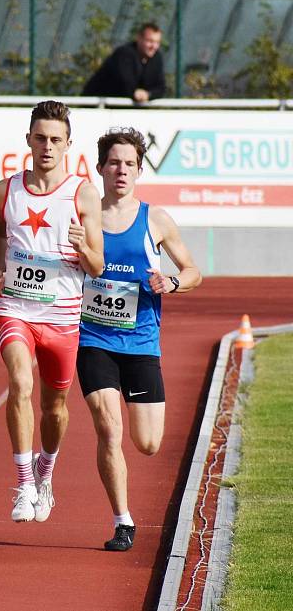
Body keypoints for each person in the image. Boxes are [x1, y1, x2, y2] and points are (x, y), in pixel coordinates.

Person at [76, 127, 201, 551]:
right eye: (114, 163)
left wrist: (171, 281)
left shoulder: (155, 219)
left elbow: (192, 271)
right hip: (92, 339)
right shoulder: (81, 217)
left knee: (147, 444)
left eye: (130, 163)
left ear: (139, 170)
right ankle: (123, 520)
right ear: (100, 168)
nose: (121, 170)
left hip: (142, 342)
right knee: (108, 428)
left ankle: (123, 513)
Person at [0, 100, 104, 524]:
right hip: (15, 307)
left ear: (69, 144)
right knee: (19, 382)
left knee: (55, 407)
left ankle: (45, 472)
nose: (47, 147)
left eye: (56, 140)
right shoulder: (7, 189)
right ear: (28, 141)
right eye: (40, 138)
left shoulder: (82, 193)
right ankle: (22, 483)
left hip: (63, 315)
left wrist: (82, 245)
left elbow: (97, 265)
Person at [82, 23, 166, 103]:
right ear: (139, 38)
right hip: (98, 106)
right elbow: (125, 84)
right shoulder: (124, 54)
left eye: (157, 42)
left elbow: (160, 87)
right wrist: (136, 93)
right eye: (150, 41)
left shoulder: (156, 58)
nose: (154, 46)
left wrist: (148, 94)